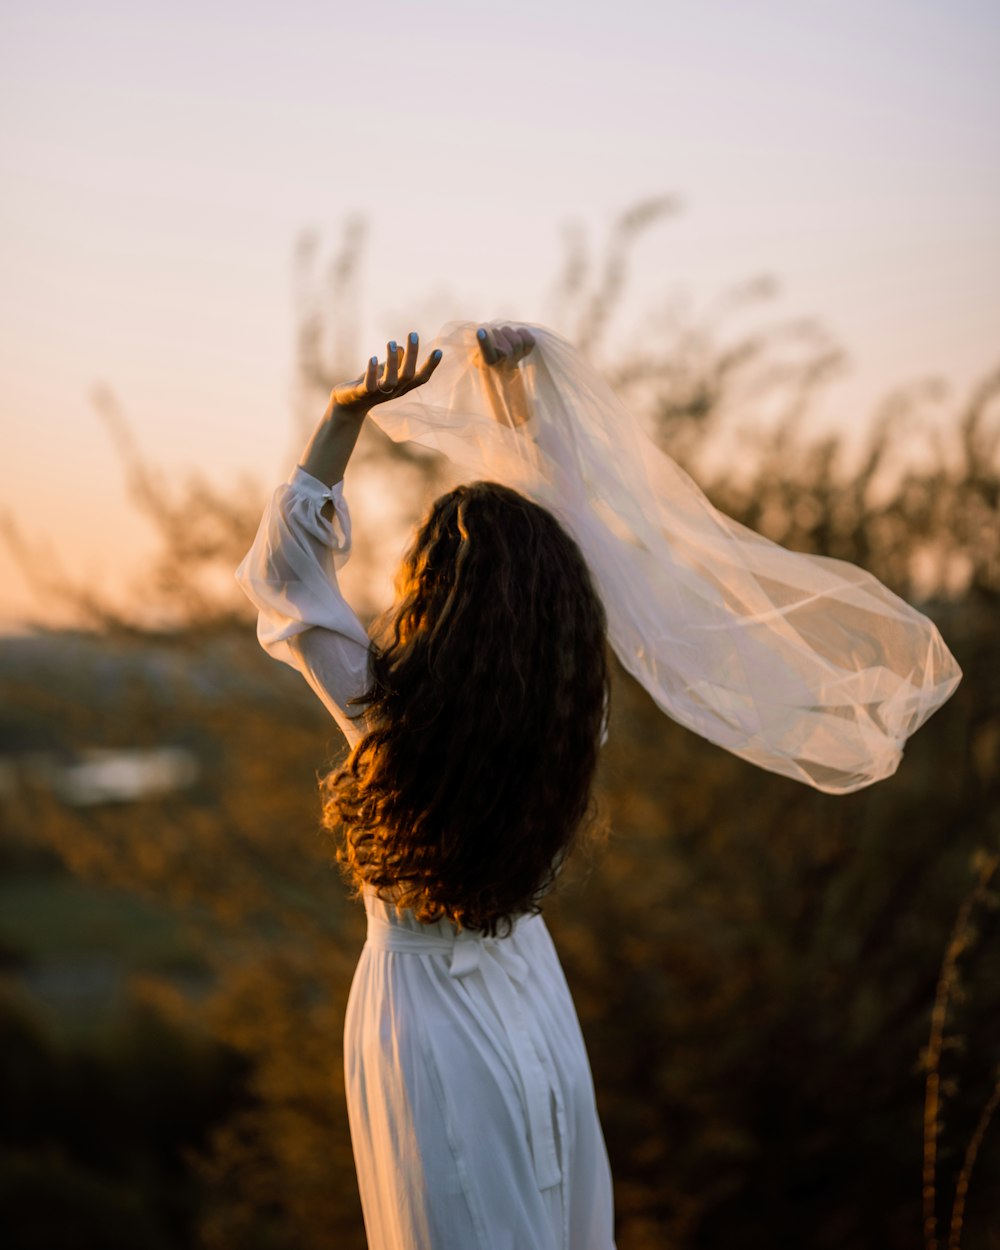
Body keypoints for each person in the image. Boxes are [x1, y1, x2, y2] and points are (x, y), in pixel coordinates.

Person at [235, 324, 617, 1250]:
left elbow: (289, 576)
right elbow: (554, 538)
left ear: (430, 594)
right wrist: (514, 397)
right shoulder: (571, 712)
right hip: (536, 997)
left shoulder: (393, 720)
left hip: (429, 1025)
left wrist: (341, 417)